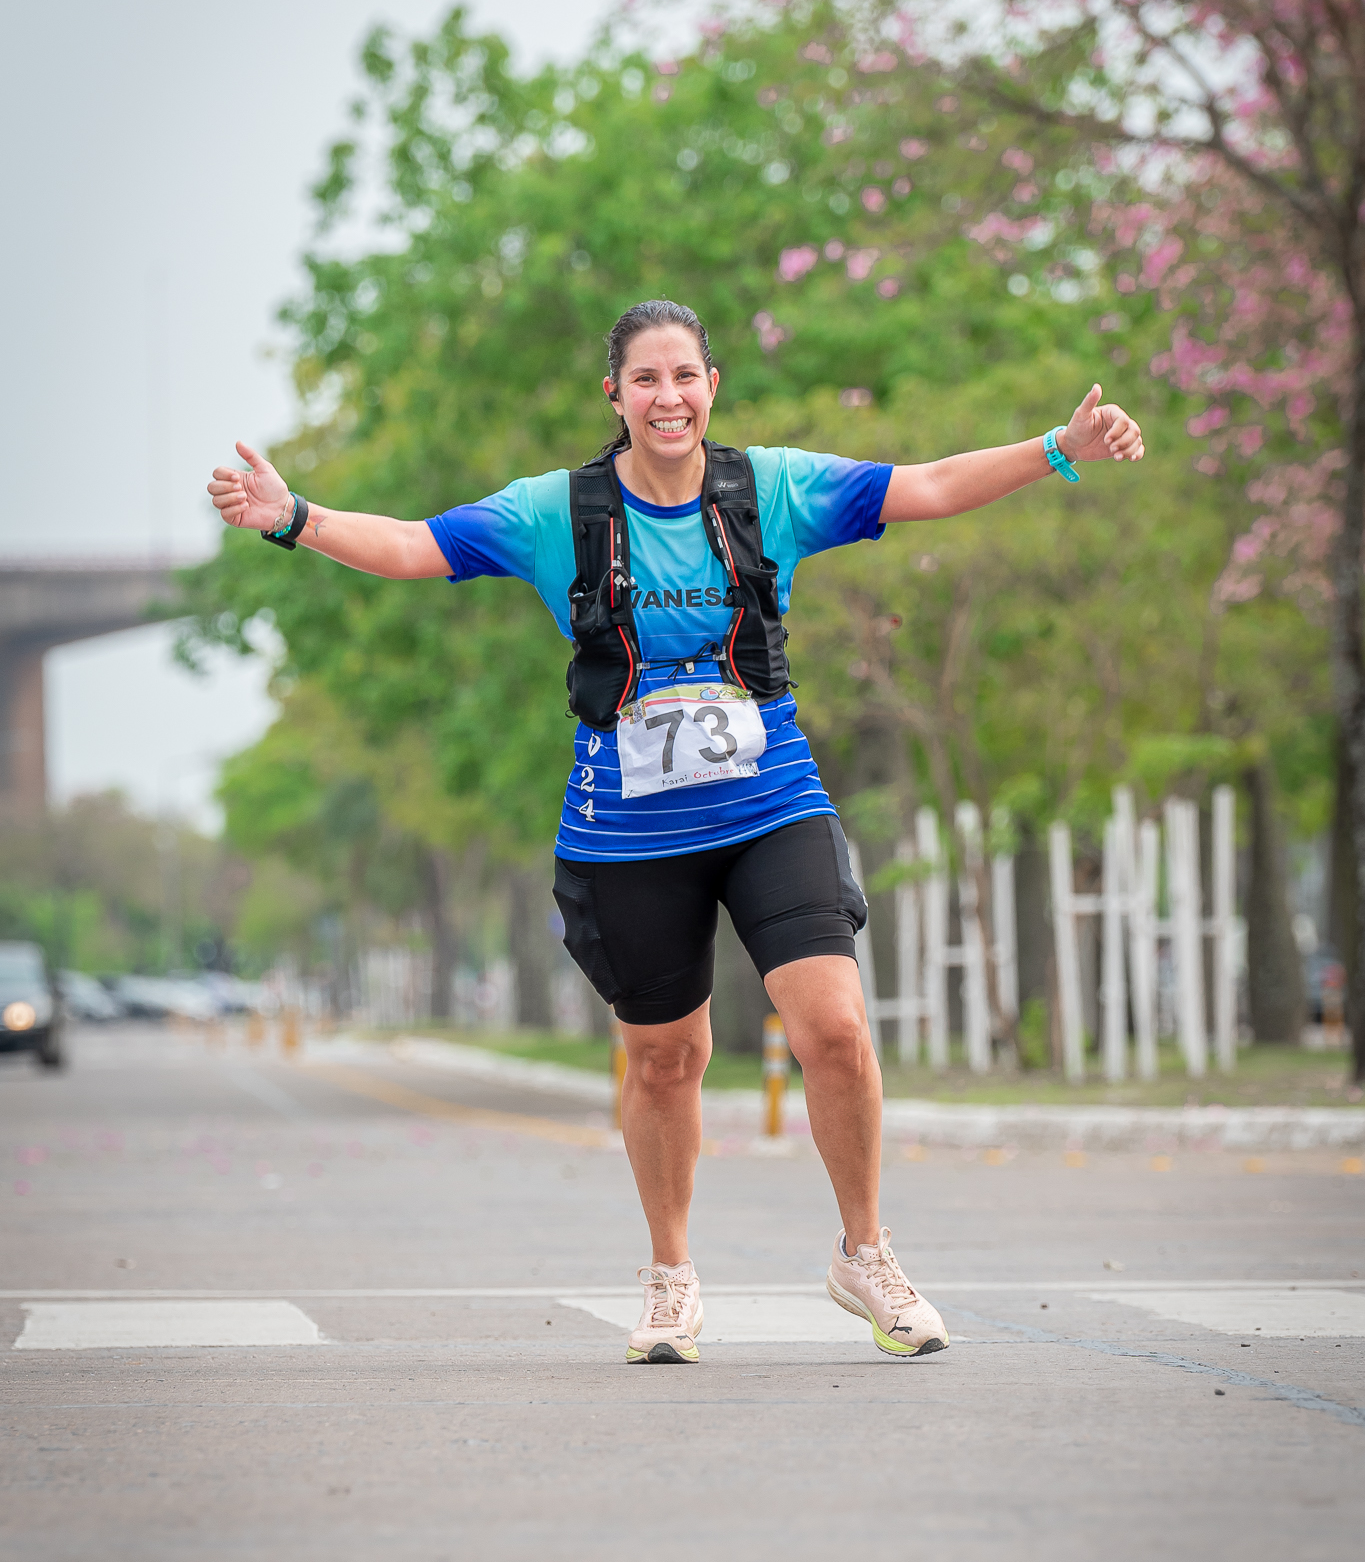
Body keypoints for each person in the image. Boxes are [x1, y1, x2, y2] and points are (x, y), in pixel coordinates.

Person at [207, 297, 1144, 1366]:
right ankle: (669, 1275)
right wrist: (294, 517)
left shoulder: (769, 490)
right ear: (614, 396)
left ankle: (866, 1252)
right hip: (628, 828)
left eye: (685, 376)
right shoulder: (557, 511)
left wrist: (1057, 448)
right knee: (666, 1059)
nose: (668, 397)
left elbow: (924, 485)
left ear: (712, 387)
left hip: (768, 800)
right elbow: (417, 547)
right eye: (646, 379)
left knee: (834, 1028)